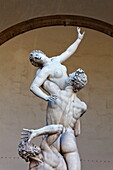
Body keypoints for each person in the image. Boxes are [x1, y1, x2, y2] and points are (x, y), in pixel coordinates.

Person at [26, 68, 87, 170]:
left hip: (52, 137)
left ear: (69, 81)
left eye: (70, 75)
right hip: (69, 138)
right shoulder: (82, 106)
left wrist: (49, 66)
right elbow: (77, 132)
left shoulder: (56, 93)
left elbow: (40, 77)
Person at [29, 27, 85, 101]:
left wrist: (78, 39)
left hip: (72, 91)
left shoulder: (56, 60)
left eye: (37, 54)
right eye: (35, 58)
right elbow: (33, 87)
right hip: (63, 94)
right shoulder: (45, 70)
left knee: (83, 107)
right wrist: (46, 97)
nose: (37, 57)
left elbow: (68, 52)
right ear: (36, 63)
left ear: (42, 53)